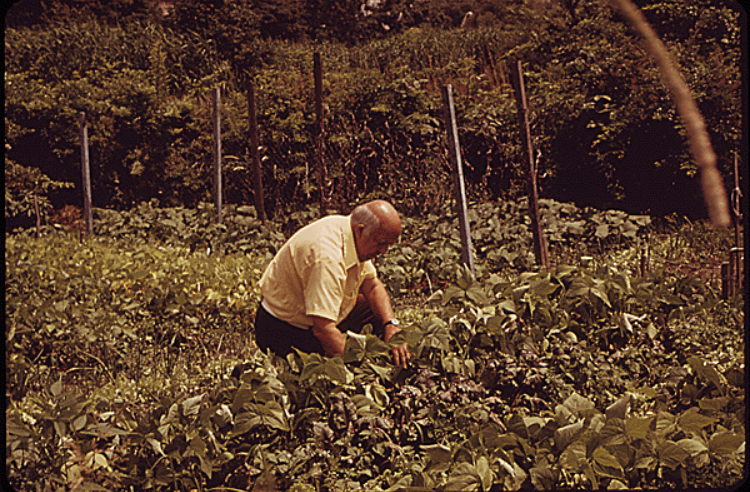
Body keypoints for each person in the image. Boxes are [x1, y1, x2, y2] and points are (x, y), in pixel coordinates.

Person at [253, 200, 411, 368]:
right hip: (283, 328)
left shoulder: (348, 231)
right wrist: (363, 371)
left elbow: (372, 286)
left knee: (374, 309)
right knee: (319, 373)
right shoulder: (327, 257)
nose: (383, 251)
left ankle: (386, 356)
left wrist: (391, 324)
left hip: (319, 314)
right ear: (361, 230)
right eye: (380, 243)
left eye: (388, 245)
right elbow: (323, 329)